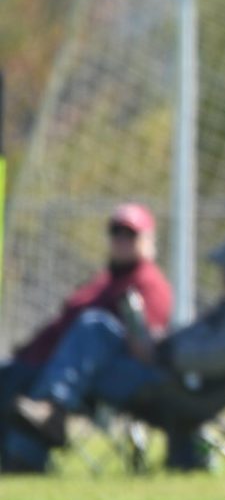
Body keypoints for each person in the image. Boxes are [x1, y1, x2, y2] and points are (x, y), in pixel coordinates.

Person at [11, 222, 225, 471]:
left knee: (77, 348)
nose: (224, 279)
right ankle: (48, 415)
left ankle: (34, 439)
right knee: (93, 329)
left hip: (175, 388)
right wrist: (157, 344)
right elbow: (201, 346)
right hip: (169, 374)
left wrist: (162, 352)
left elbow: (216, 356)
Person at [0, 202, 172, 473]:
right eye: (117, 232)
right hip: (56, 368)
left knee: (94, 326)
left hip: (111, 374)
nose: (122, 240)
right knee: (7, 374)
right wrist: (28, 351)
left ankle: (49, 415)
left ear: (149, 240)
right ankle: (13, 459)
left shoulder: (149, 283)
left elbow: (144, 347)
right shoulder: (102, 281)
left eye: (131, 234)